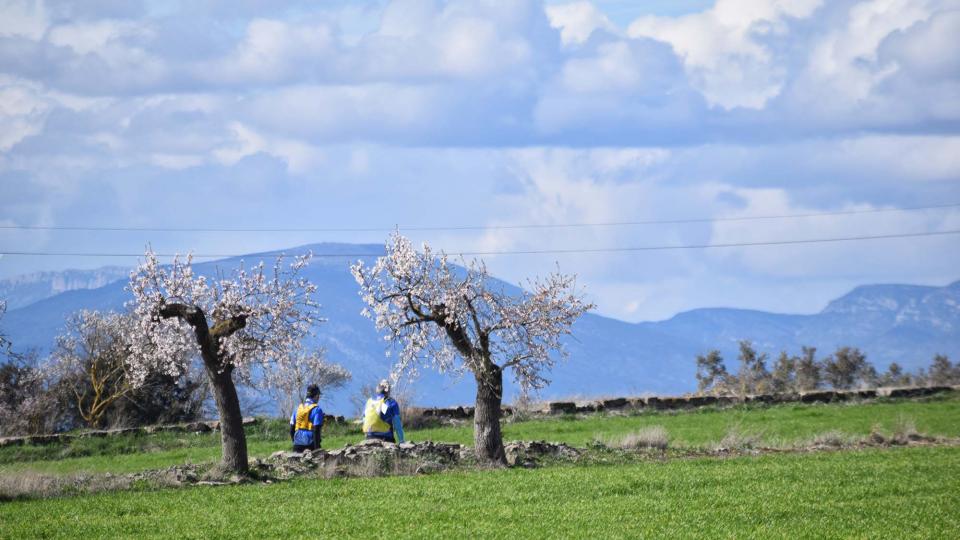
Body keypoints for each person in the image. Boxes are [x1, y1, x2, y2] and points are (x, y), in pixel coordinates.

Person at [362, 379, 405, 444]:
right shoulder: (390, 402)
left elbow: (364, 419)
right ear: (388, 390)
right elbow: (397, 424)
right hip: (385, 437)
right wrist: (401, 440)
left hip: (369, 436)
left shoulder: (369, 402)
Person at [290, 384, 324, 452]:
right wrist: (317, 449)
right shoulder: (317, 410)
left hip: (297, 444)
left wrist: (295, 442)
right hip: (311, 445)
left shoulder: (297, 409)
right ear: (317, 395)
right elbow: (316, 430)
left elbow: (291, 429)